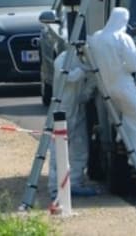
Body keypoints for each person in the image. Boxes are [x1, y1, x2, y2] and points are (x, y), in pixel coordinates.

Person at [88, 8, 136, 167]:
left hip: (106, 88)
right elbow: (133, 66)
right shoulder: (123, 38)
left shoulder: (97, 37)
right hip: (123, 86)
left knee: (124, 119)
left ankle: (121, 140)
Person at [48, 51, 99, 198]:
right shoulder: (63, 59)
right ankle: (55, 187)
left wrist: (87, 93)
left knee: (80, 147)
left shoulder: (87, 59)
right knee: (58, 148)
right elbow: (69, 77)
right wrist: (85, 70)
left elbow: (92, 80)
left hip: (77, 108)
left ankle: (75, 182)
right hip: (62, 110)